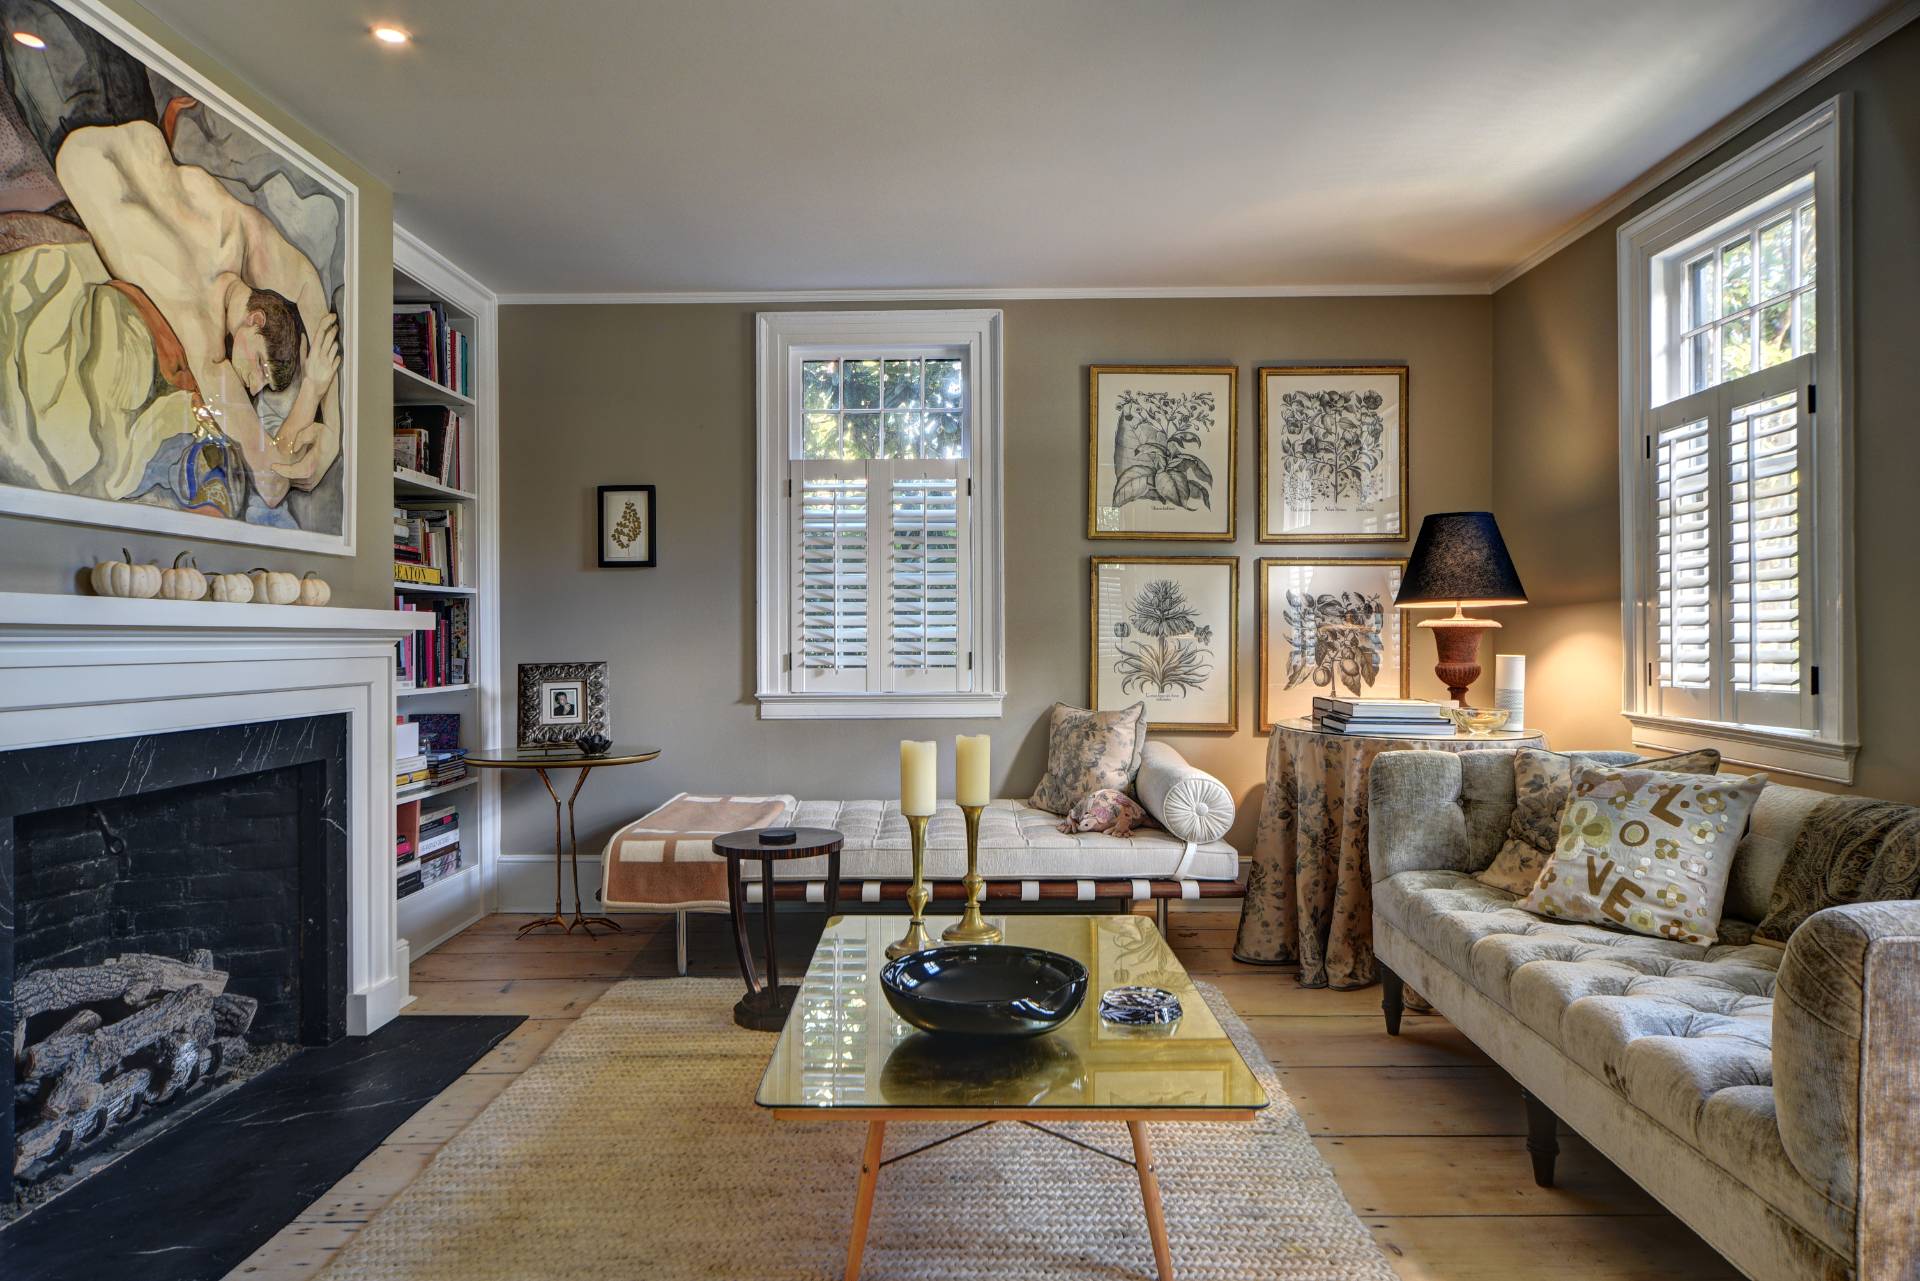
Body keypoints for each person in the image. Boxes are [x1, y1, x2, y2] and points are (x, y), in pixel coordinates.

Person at [52, 100, 341, 513]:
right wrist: (311, 391)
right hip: (77, 157)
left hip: (107, 138)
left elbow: (312, 292)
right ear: (254, 320)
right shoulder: (202, 333)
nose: (252, 386)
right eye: (259, 366)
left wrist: (334, 429)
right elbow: (272, 483)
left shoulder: (237, 230)